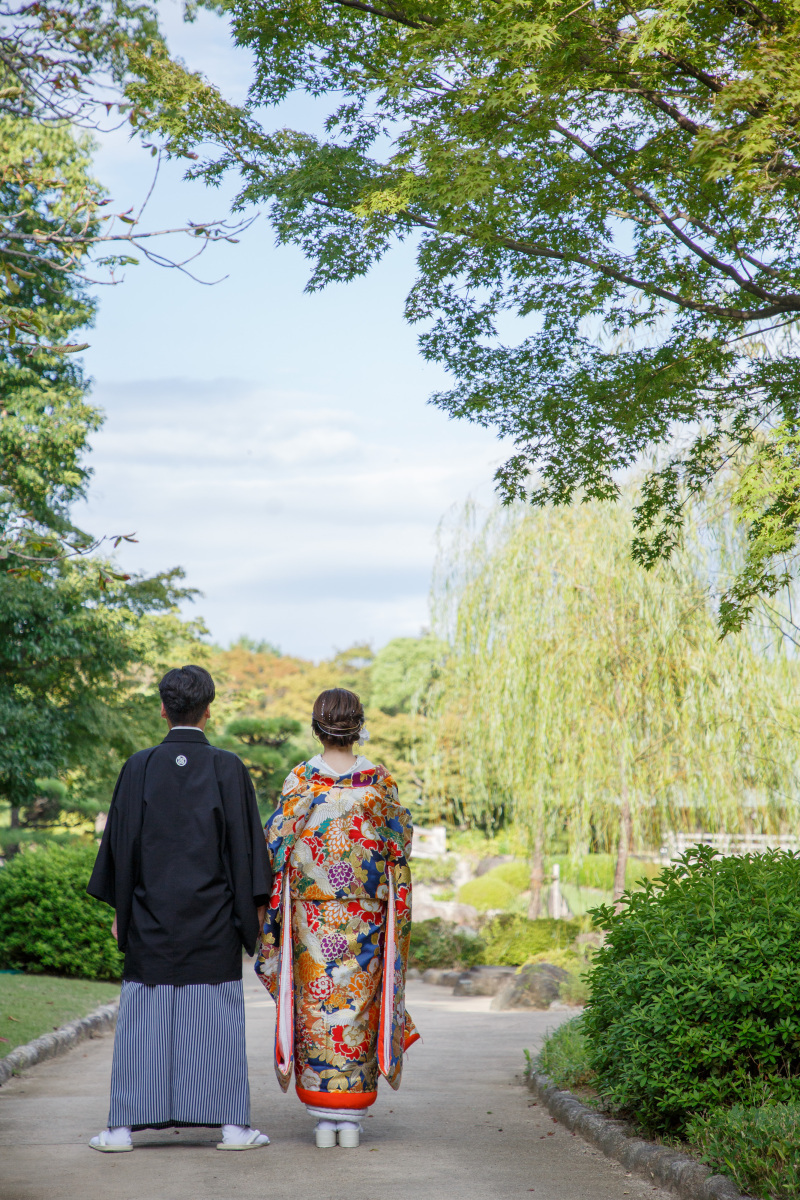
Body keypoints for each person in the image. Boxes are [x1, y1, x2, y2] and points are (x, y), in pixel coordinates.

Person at [86, 665, 272, 1152]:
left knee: (143, 1024)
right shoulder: (228, 767)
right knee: (216, 1023)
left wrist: (121, 912)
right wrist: (252, 911)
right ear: (208, 710)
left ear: (163, 709)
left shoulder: (139, 766)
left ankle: (120, 1130)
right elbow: (247, 850)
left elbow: (120, 848)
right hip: (213, 919)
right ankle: (233, 1128)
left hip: (150, 916)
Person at [255, 687, 419, 1149]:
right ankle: (351, 1118)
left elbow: (276, 844)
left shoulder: (300, 779)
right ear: (359, 725)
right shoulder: (379, 781)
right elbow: (401, 843)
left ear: (316, 727)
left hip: (311, 917)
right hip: (366, 913)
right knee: (360, 1005)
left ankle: (323, 1117)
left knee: (316, 1006)